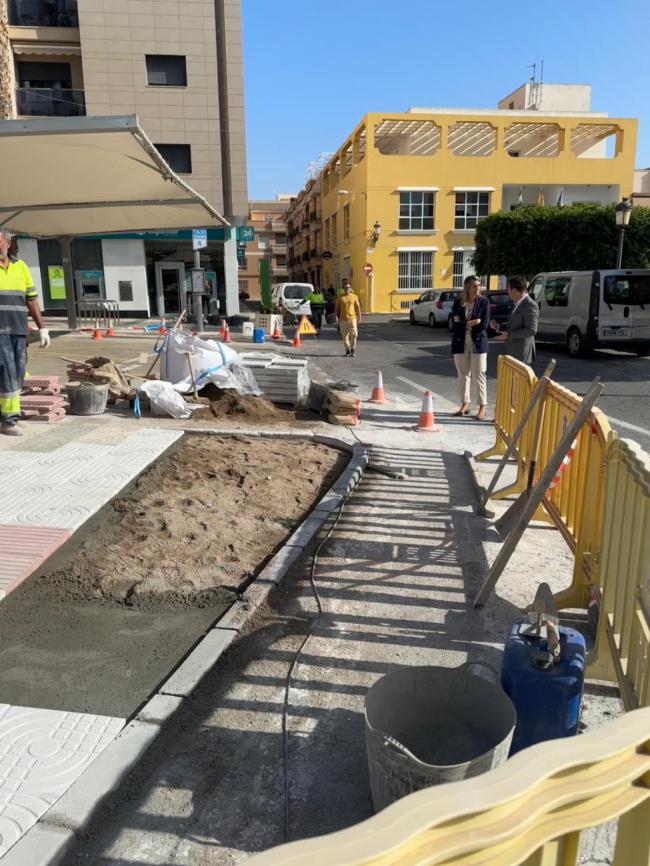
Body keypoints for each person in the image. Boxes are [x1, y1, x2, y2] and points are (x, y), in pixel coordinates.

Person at [0, 228, 50, 436]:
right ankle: (8, 420)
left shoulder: (21, 267)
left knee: (19, 374)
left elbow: (31, 298)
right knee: (7, 373)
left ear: (8, 243)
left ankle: (12, 415)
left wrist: (43, 327)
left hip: (19, 331)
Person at [450, 275, 489, 419]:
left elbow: (484, 324)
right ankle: (465, 404)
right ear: (467, 287)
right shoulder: (457, 303)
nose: (477, 288)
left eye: (479, 285)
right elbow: (454, 325)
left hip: (478, 343)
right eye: (474, 285)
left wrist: (464, 324)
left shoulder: (484, 303)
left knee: (479, 374)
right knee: (463, 375)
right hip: (460, 342)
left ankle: (482, 407)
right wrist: (472, 323)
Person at [492, 276, 539, 364]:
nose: (508, 292)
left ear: (514, 291)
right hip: (513, 352)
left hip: (522, 354)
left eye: (508, 290)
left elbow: (531, 330)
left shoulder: (530, 305)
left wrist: (508, 335)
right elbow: (514, 324)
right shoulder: (517, 303)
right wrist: (498, 326)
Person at [335, 282, 361, 357]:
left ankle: (353, 349)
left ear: (350, 288)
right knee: (344, 336)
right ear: (344, 289)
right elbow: (336, 308)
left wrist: (359, 316)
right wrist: (336, 316)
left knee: (354, 334)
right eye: (345, 288)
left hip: (352, 318)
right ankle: (347, 350)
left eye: (348, 287)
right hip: (343, 319)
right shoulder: (340, 297)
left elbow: (358, 307)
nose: (347, 289)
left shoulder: (354, 296)